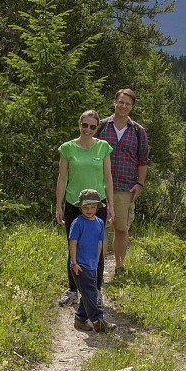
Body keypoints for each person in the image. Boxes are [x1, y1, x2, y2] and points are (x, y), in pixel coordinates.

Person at [56, 110, 114, 308]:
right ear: (79, 124)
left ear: (97, 128)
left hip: (97, 206)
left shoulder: (103, 148)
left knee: (96, 248)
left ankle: (96, 291)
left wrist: (111, 206)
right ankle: (73, 289)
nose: (88, 129)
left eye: (92, 126)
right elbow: (62, 178)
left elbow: (108, 178)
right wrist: (58, 205)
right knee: (73, 246)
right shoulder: (67, 148)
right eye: (84, 125)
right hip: (73, 204)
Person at [96, 88, 149, 275]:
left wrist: (140, 184)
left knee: (121, 229)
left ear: (132, 107)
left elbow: (143, 160)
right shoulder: (101, 126)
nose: (124, 106)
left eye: (128, 104)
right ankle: (98, 268)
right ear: (115, 102)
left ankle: (119, 266)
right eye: (121, 102)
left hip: (125, 187)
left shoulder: (138, 131)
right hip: (100, 187)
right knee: (100, 228)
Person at [67, 189, 115, 333]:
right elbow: (73, 243)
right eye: (86, 207)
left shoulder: (100, 222)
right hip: (80, 265)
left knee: (90, 293)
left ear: (97, 207)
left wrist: (97, 261)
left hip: (92, 264)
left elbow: (100, 243)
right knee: (90, 294)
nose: (89, 210)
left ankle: (80, 319)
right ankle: (98, 321)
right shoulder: (77, 223)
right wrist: (74, 263)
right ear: (80, 207)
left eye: (92, 207)